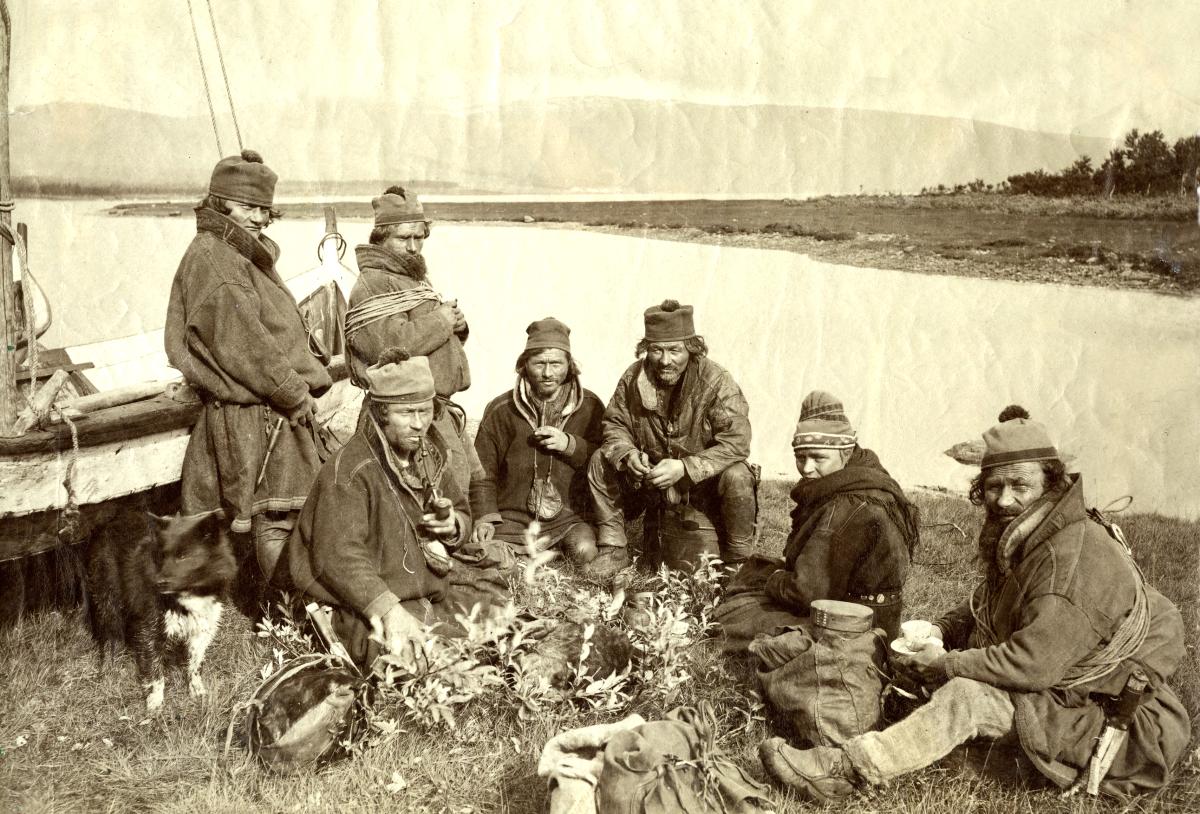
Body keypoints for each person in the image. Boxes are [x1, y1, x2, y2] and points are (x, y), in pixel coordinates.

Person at [759, 407, 1191, 802]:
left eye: (1020, 485)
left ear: (1051, 483)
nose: (1003, 500)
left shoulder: (1067, 562)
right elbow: (990, 604)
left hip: (1114, 726)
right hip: (1067, 697)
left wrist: (947, 665)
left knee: (968, 695)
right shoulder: (1038, 535)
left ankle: (847, 771)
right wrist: (943, 631)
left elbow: (1031, 665)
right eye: (993, 486)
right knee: (936, 686)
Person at [164, 149, 331, 583]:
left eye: (265, 210)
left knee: (286, 510)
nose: (259, 218)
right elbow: (246, 344)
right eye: (249, 207)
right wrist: (293, 393)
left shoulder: (230, 252)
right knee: (276, 514)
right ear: (220, 204)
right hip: (256, 410)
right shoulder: (216, 259)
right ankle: (291, 606)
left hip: (265, 406)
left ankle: (285, 600)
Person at [285, 350, 509, 667]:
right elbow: (338, 555)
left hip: (418, 584)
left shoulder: (429, 455)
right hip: (359, 599)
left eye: (425, 411)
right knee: (426, 659)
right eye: (407, 413)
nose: (418, 424)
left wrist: (452, 524)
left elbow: (460, 509)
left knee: (498, 615)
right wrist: (390, 613)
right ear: (381, 413)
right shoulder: (351, 471)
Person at [715, 391, 919, 647]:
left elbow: (805, 593)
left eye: (819, 458)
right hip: (876, 615)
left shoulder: (846, 507)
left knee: (733, 615)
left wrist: (773, 579)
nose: (807, 468)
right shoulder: (867, 475)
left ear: (845, 453)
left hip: (853, 628)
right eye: (801, 457)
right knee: (755, 576)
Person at [587, 299, 756, 577]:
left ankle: (738, 559)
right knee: (600, 459)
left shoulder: (716, 381)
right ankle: (614, 548)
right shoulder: (633, 377)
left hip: (702, 487)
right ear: (646, 349)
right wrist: (629, 454)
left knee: (738, 475)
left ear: (691, 348)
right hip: (650, 481)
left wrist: (686, 468)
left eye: (675, 350)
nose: (665, 360)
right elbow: (615, 424)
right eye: (656, 350)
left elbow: (737, 441)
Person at [343, 186, 484, 509]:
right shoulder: (374, 283)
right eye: (403, 238)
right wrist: (442, 322)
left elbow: (422, 337)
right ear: (381, 238)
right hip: (408, 408)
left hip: (437, 406)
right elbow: (387, 348)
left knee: (460, 481)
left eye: (419, 238)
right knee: (429, 490)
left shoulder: (411, 278)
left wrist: (456, 328)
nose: (413, 247)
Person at [473, 318, 605, 568]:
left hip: (568, 519)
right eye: (539, 363)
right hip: (512, 519)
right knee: (492, 562)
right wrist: (485, 518)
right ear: (524, 366)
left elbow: (605, 462)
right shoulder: (501, 410)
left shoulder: (590, 406)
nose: (547, 373)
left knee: (586, 553)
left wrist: (570, 444)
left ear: (569, 365)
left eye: (556, 363)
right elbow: (482, 471)